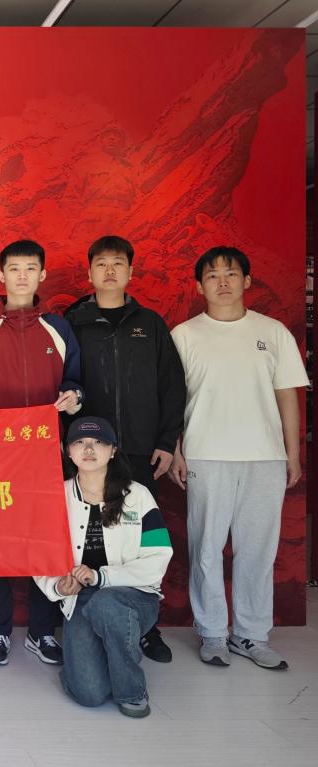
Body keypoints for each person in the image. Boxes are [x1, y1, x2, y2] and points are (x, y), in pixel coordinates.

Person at [168, 247, 308, 670]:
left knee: (258, 550)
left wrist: (292, 452)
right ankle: (212, 632)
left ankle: (251, 634)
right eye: (212, 276)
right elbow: (172, 401)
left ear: (247, 281)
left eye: (231, 274)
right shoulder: (184, 335)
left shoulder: (273, 332)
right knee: (207, 548)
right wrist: (177, 449)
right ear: (199, 286)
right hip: (206, 454)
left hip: (264, 457)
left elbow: (287, 395)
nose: (223, 282)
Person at [64, 235, 186, 663]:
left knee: (137, 538)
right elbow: (61, 382)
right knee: (89, 536)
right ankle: (80, 616)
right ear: (90, 272)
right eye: (101, 263)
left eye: (118, 263)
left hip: (138, 450)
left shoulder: (149, 324)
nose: (110, 270)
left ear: (131, 272)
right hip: (87, 451)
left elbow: (172, 385)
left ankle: (146, 626)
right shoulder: (73, 322)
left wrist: (166, 442)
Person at [0, 239, 83, 667]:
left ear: (42, 275)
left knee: (44, 541)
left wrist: (74, 397)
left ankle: (41, 631)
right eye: (14, 268)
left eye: (30, 268)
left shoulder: (59, 328)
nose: (21, 276)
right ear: (1, 275)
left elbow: (75, 381)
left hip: (47, 454)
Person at [35, 416, 173, 718]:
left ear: (112, 451)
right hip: (81, 598)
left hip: (134, 595)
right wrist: (57, 586)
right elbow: (39, 554)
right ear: (67, 451)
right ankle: (100, 658)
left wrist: (101, 577)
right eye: (79, 442)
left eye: (98, 442)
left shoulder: (138, 495)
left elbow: (160, 555)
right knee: (89, 694)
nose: (88, 449)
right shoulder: (54, 496)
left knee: (108, 603)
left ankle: (132, 691)